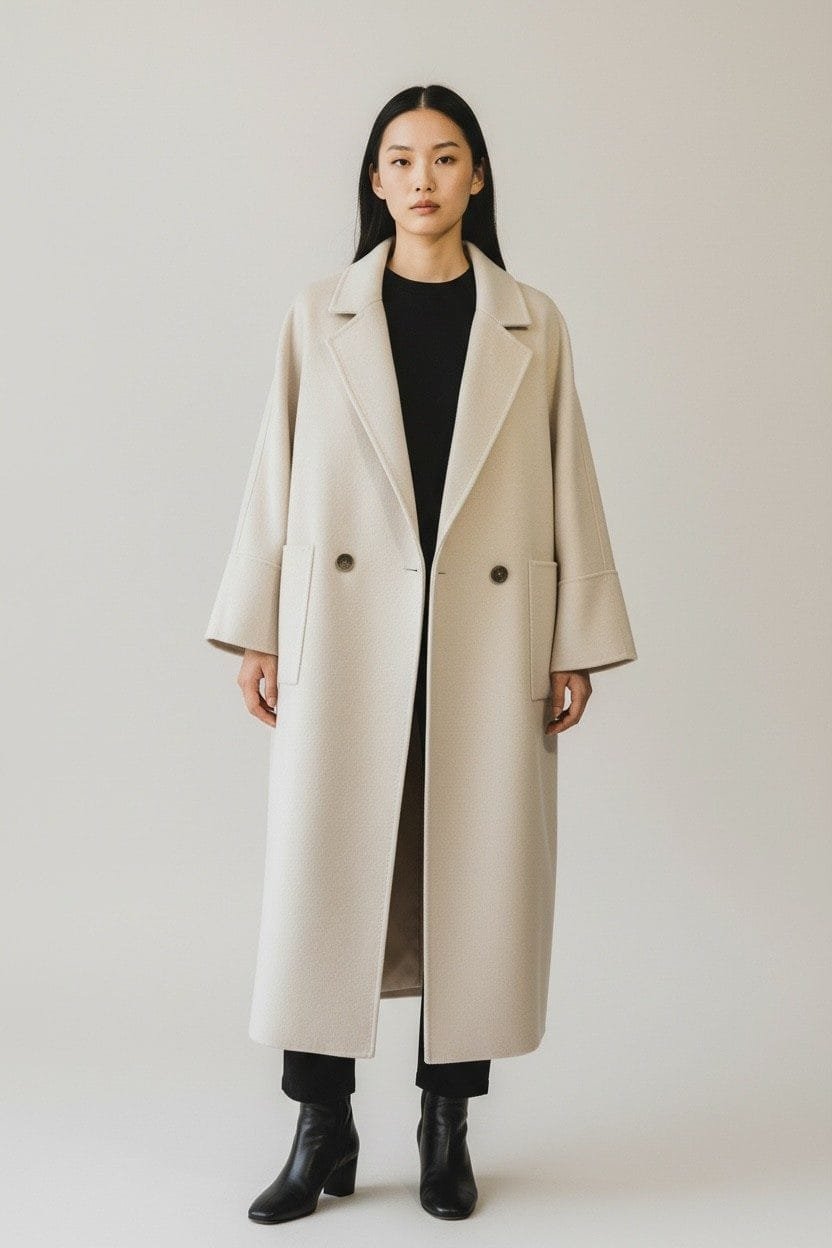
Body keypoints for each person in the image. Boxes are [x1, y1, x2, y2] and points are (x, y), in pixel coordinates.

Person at [204, 83, 637, 1224]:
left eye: (445, 158)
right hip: (346, 633)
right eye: (400, 159)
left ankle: (447, 1129)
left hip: (486, 633)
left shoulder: (531, 321)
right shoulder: (321, 314)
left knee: (473, 876)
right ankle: (321, 1127)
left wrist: (575, 640)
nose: (423, 178)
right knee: (323, 874)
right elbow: (274, 473)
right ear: (375, 179)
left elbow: (568, 476)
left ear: (477, 176)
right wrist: (258, 626)